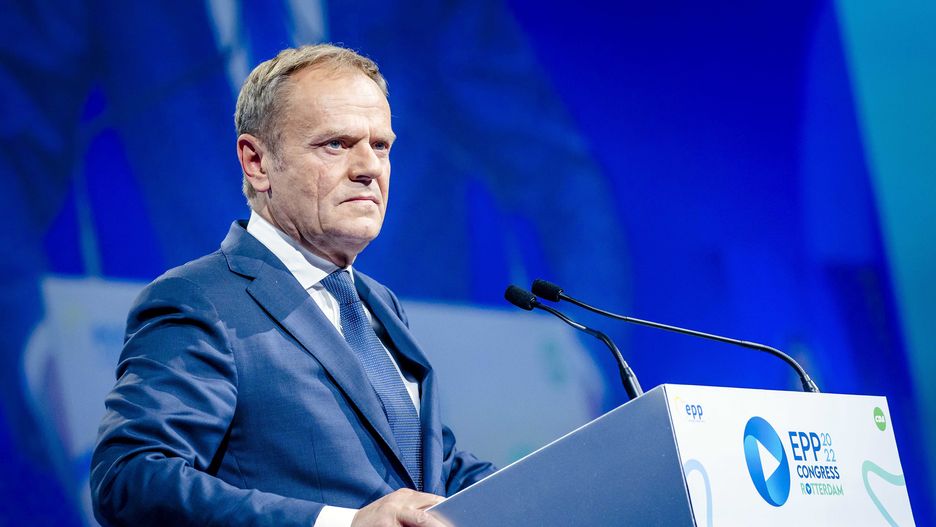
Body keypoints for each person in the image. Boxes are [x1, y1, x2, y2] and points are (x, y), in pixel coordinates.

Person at [90, 44, 495, 527]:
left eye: (381, 145)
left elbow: (429, 475)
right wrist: (343, 525)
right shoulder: (200, 300)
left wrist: (566, 480)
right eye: (336, 144)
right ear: (257, 162)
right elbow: (131, 479)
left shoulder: (376, 304)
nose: (369, 168)